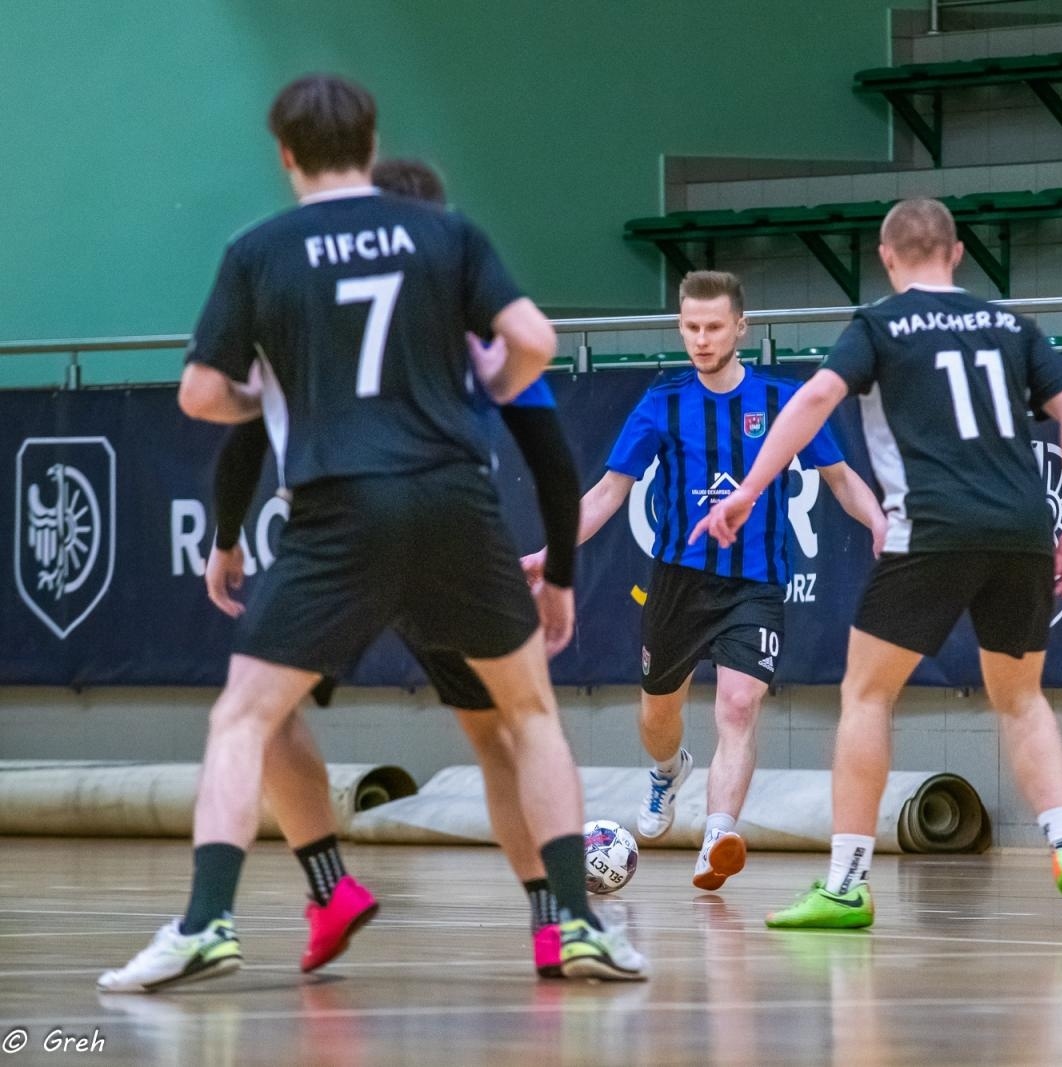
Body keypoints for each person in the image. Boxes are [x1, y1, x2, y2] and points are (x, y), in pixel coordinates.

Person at [99, 74, 645, 992]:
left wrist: (268, 401)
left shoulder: (258, 250)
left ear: (284, 154)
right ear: (372, 138)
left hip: (339, 509)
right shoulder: (446, 234)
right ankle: (574, 926)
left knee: (244, 716)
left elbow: (200, 397)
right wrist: (498, 387)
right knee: (529, 717)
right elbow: (538, 343)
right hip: (451, 502)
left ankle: (207, 923)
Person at [695, 198, 1062, 931]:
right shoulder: (1010, 326)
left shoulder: (879, 325)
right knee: (1022, 698)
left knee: (867, 696)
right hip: (1025, 526)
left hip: (933, 525)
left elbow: (815, 397)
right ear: (957, 253)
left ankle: (844, 883)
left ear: (887, 256)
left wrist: (749, 489)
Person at [199, 157, 581, 980]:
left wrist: (226, 538)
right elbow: (551, 461)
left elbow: (240, 441)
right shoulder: (473, 319)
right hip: (450, 541)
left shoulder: (319, 322)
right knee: (503, 736)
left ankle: (327, 888)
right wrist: (563, 575)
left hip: (343, 539)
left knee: (258, 716)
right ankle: (556, 920)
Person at [570, 270, 885, 892]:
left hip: (756, 584)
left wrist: (879, 522)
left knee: (738, 708)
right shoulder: (662, 402)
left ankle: (717, 836)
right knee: (659, 713)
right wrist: (549, 553)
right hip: (679, 582)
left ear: (740, 327)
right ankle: (667, 771)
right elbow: (608, 493)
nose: (701, 339)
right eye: (690, 326)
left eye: (714, 327)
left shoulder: (783, 401)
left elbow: (842, 479)